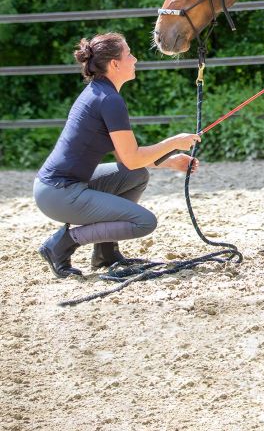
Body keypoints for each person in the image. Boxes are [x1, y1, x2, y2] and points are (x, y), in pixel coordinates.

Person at [34, 32, 201, 279]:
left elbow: (127, 159)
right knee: (145, 222)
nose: (134, 59)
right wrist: (173, 143)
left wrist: (170, 161)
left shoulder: (100, 92)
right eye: (129, 54)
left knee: (136, 175)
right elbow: (131, 157)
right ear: (114, 64)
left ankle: (105, 253)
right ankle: (62, 243)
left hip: (56, 187)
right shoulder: (109, 100)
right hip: (59, 193)